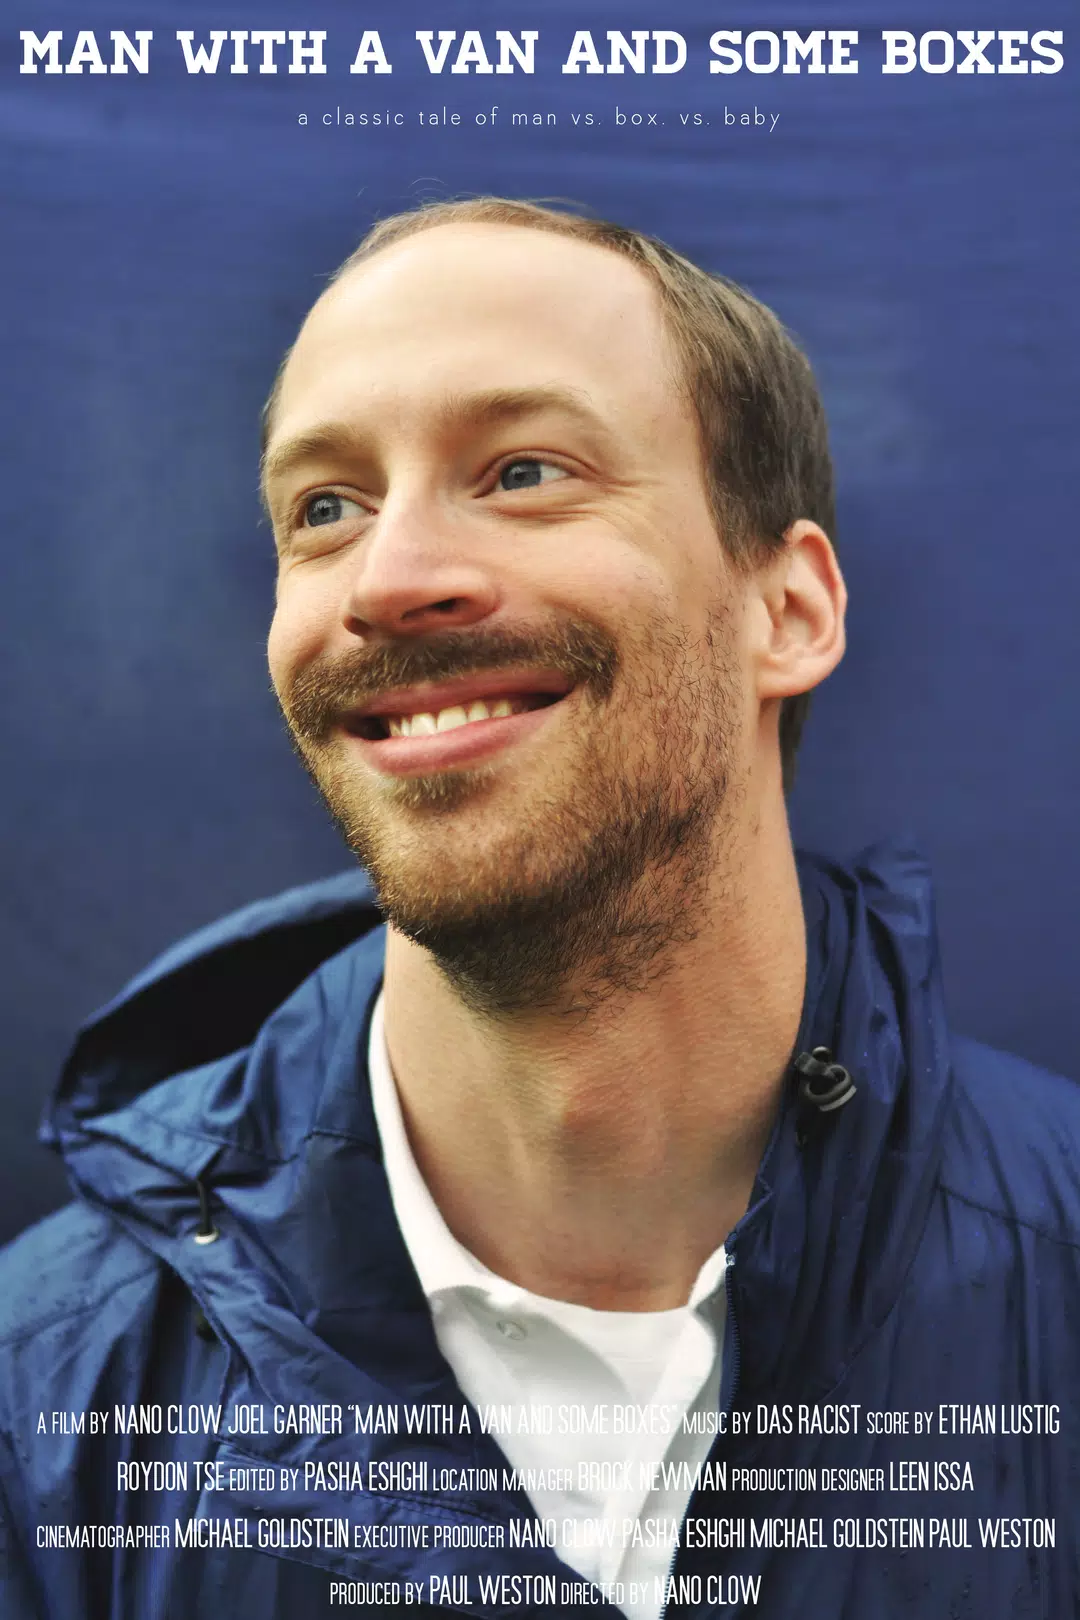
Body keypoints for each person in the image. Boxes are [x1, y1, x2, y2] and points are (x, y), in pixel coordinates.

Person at [0, 198, 1077, 1620]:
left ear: (790, 612)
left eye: (521, 471)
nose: (386, 579)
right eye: (324, 507)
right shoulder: (47, 1397)